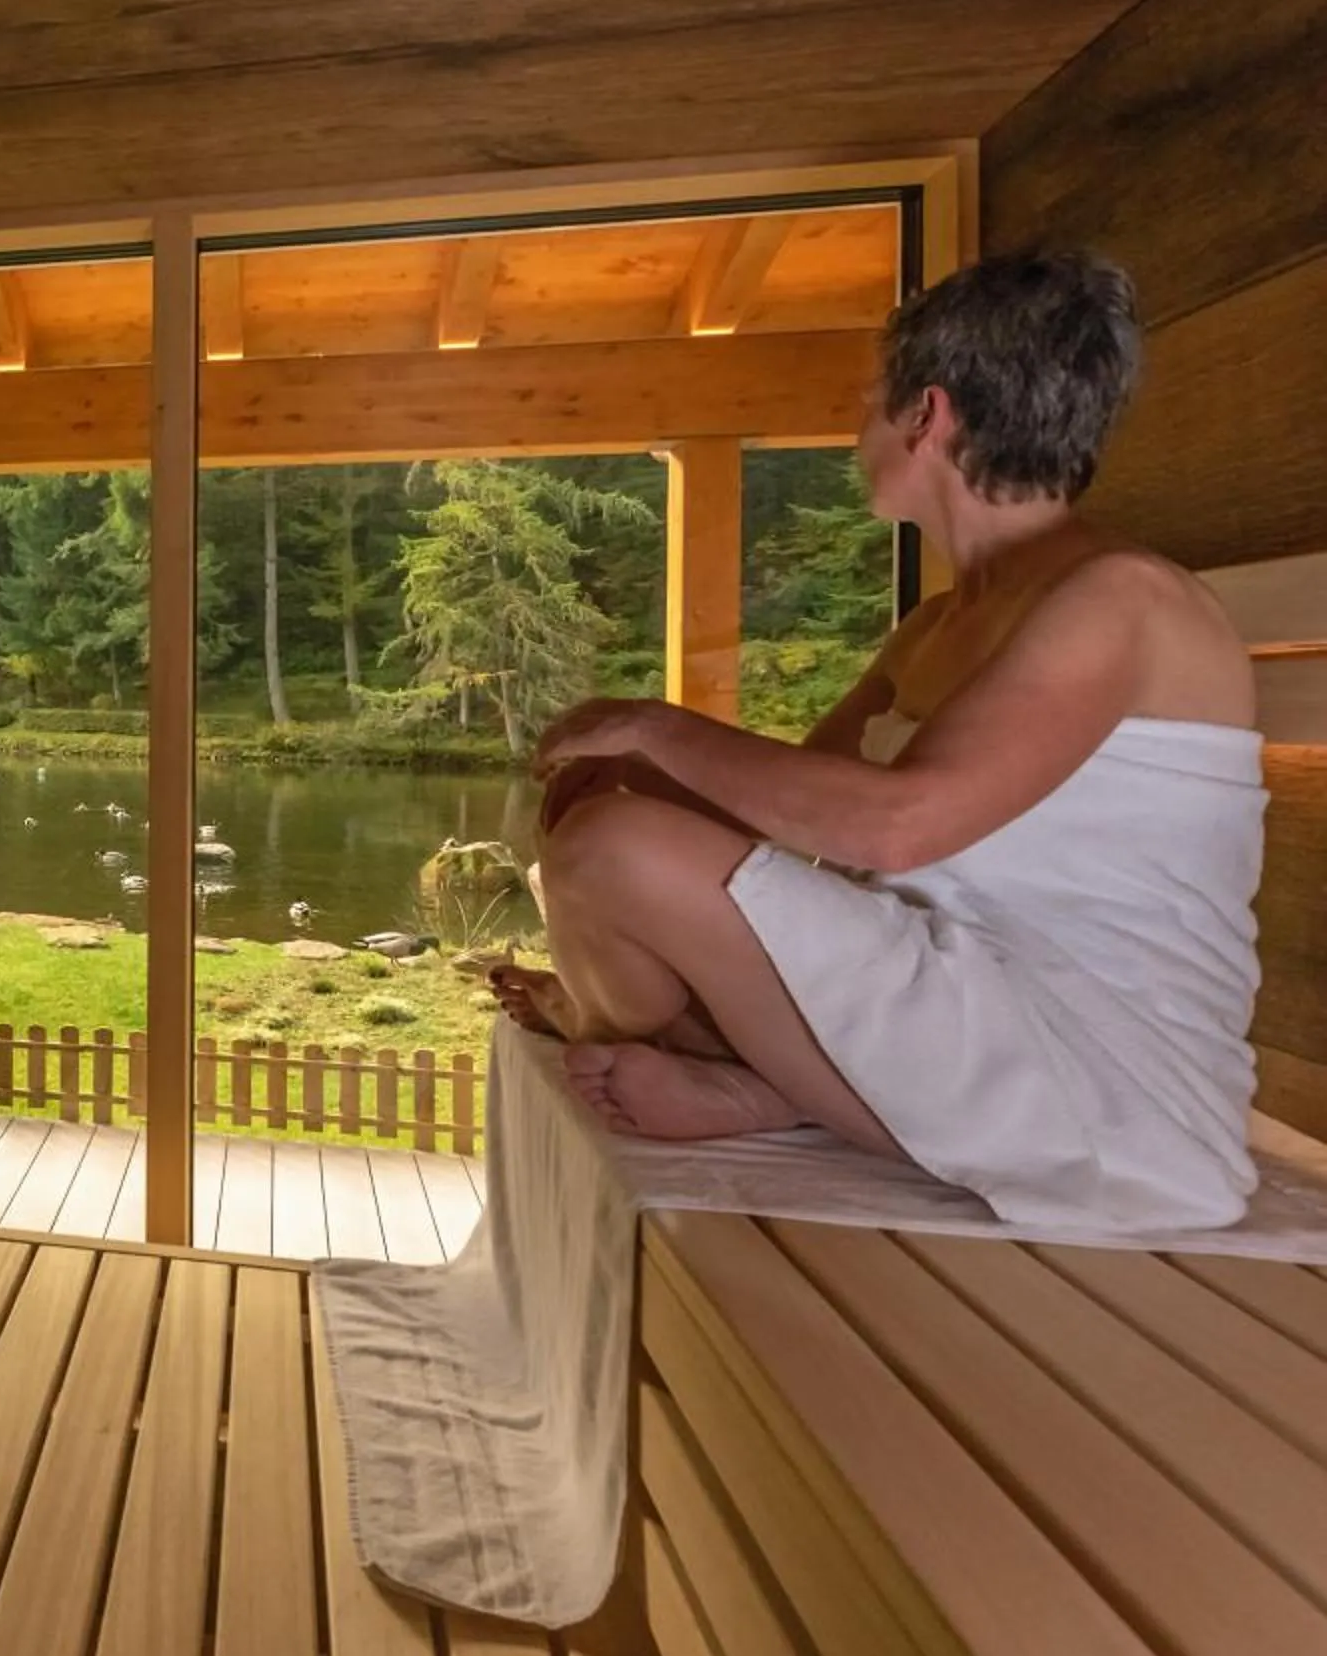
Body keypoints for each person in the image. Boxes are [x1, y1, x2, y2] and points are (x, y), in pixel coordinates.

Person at [489, 249, 1267, 1231]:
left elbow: (896, 831)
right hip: (947, 989)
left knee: (613, 849)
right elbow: (785, 798)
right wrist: (615, 770)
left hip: (1096, 1065)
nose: (859, 433)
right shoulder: (940, 626)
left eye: (869, 406)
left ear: (925, 416)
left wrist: (656, 728)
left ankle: (753, 1082)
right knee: (599, 835)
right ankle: (765, 1081)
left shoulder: (1121, 599)